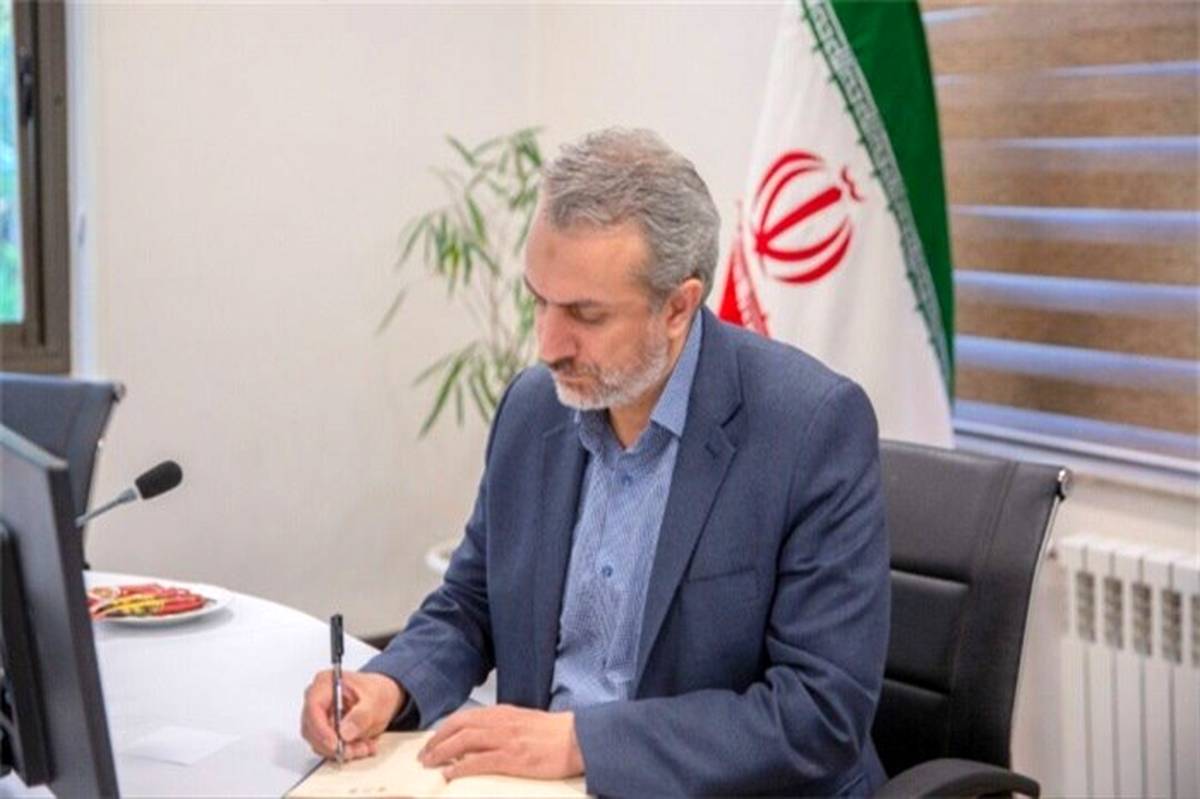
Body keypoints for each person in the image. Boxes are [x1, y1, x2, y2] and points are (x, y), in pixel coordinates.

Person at [301, 128, 890, 796]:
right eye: (539, 301)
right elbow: (473, 602)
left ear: (678, 307)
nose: (548, 345)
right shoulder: (533, 408)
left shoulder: (811, 428)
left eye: (585, 314)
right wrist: (390, 684)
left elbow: (819, 712)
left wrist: (581, 742)